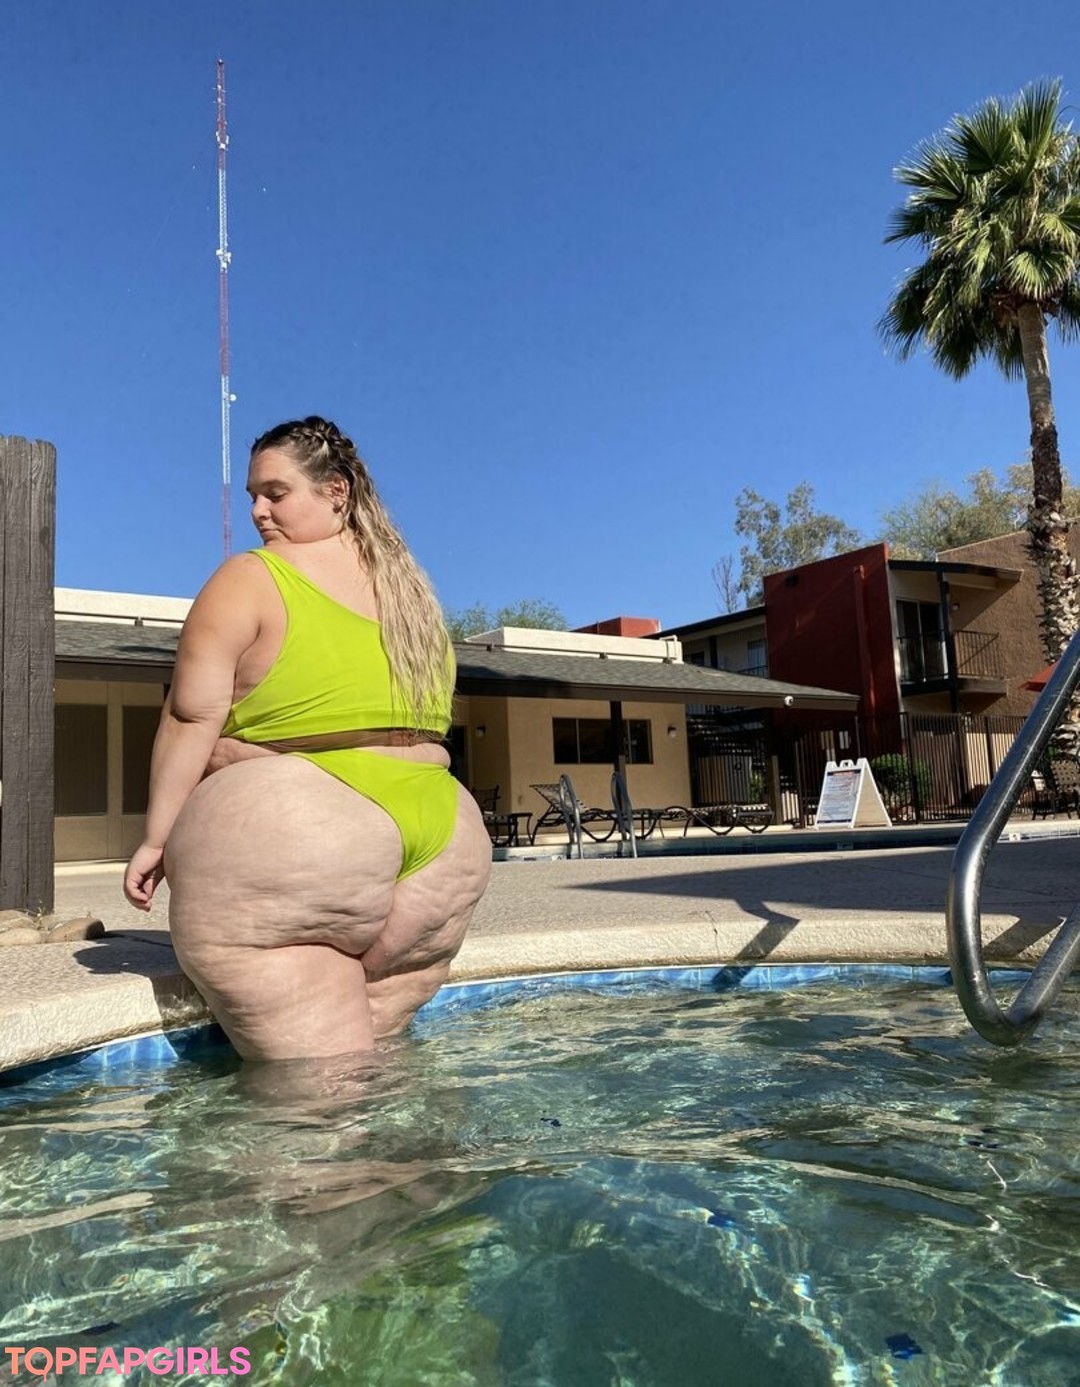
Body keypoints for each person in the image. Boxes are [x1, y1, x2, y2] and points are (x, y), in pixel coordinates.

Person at [123, 416, 492, 1061]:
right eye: (252, 497)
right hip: (447, 842)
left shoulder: (251, 578)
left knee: (316, 1097)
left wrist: (157, 838)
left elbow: (189, 716)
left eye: (276, 493)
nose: (258, 512)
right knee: (383, 1075)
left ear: (336, 491)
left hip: (304, 836)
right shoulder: (415, 599)